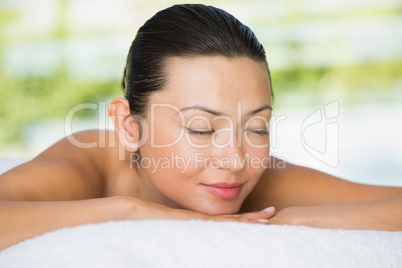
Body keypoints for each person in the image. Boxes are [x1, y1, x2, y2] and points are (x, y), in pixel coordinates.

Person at [0, 4, 401, 251]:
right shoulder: (86, 161)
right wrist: (133, 213)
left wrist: (295, 222)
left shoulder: (255, 177)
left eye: (257, 127)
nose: (235, 159)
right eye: (201, 128)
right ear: (128, 126)